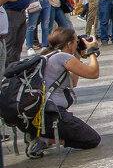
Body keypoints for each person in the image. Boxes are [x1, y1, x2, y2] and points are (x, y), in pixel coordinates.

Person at [26, 27, 102, 156]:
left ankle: (38, 135)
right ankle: (44, 139)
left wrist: (77, 55)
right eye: (76, 41)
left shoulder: (47, 55)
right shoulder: (62, 57)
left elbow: (73, 82)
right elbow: (93, 73)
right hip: (52, 114)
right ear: (69, 44)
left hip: (38, 115)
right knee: (92, 139)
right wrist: (91, 51)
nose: (78, 43)